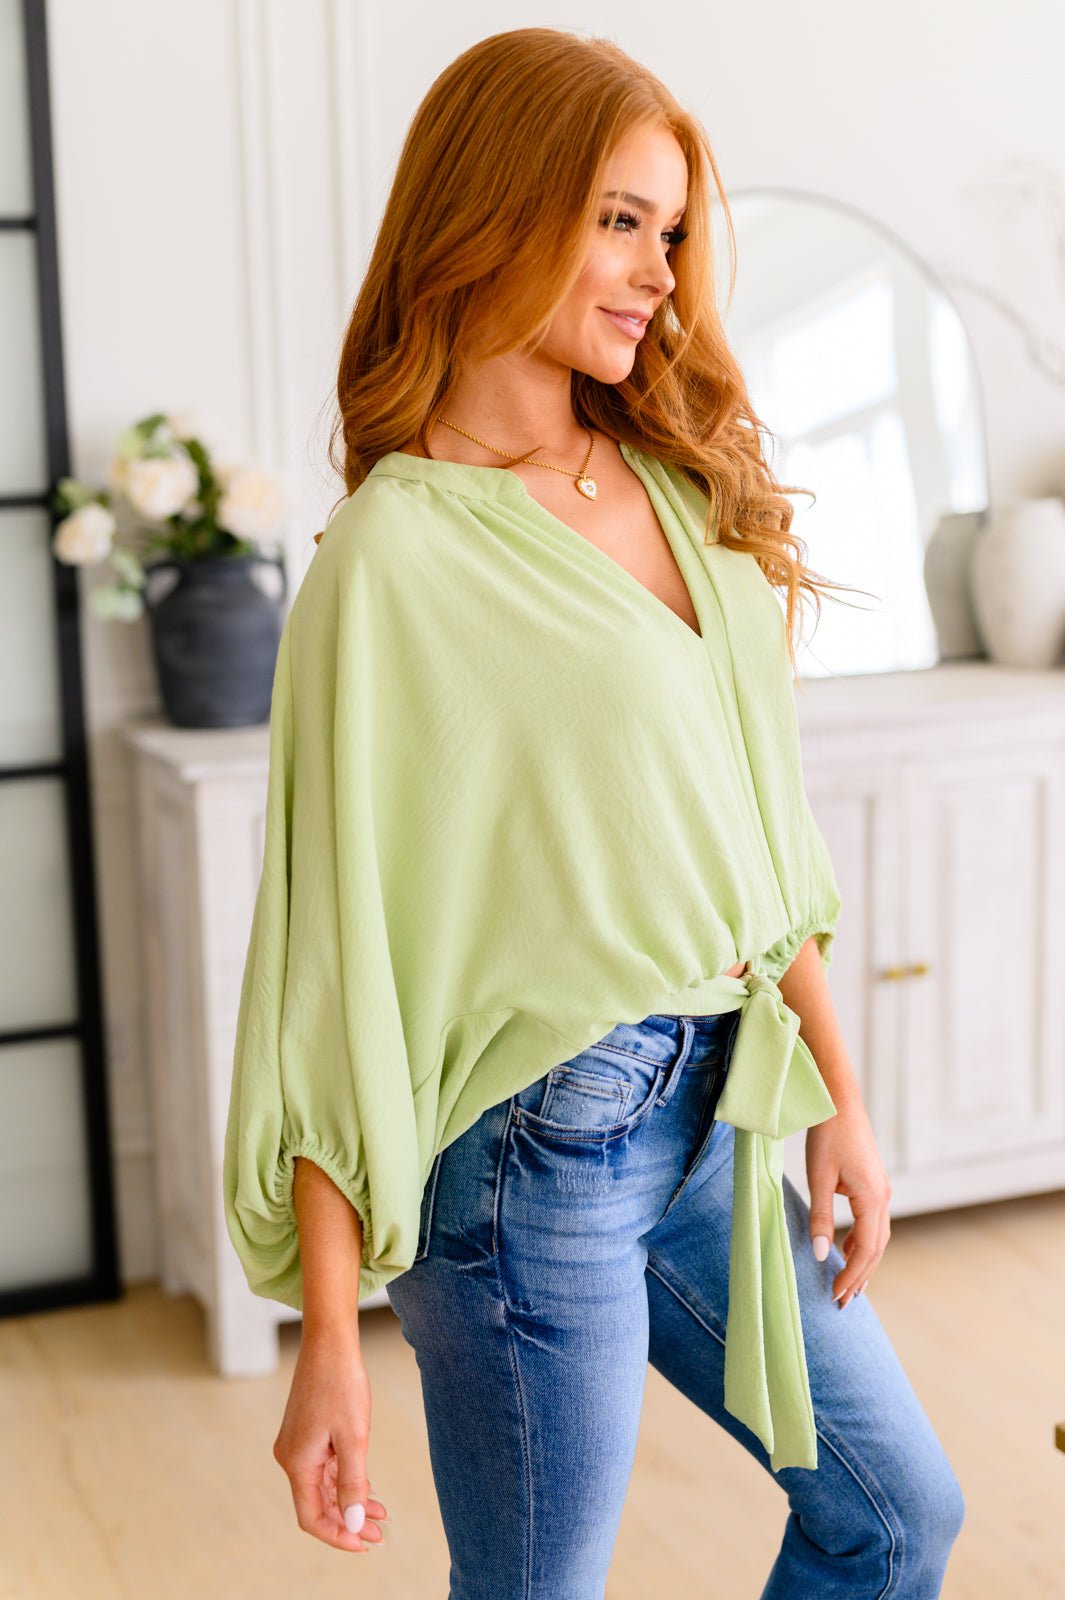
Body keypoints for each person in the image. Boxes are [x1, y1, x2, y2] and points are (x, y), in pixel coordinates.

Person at [222, 26, 965, 1598]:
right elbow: (330, 976)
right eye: (619, 220)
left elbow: (754, 836)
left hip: (714, 1106)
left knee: (897, 1516)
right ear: (492, 211)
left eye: (670, 233)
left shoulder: (671, 486)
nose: (656, 274)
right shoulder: (392, 562)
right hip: (523, 1157)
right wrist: (330, 1340)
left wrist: (837, 1092)